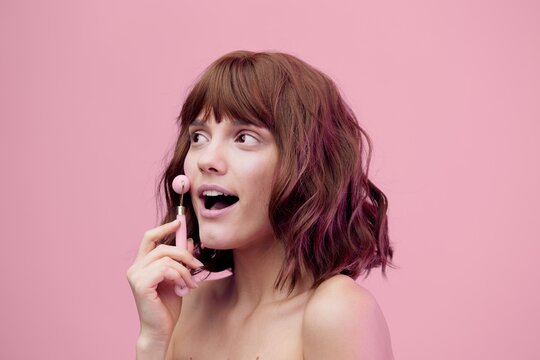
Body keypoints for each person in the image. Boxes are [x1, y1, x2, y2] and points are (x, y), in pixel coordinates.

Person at [127, 50, 395, 359]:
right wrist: (152, 342)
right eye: (199, 137)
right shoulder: (188, 307)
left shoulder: (338, 312)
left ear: (307, 166)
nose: (207, 160)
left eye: (244, 138)